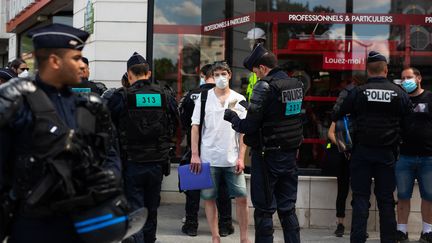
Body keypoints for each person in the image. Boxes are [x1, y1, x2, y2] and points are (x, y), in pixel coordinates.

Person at [0, 23, 123, 243]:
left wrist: (112, 175)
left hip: (82, 223)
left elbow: (110, 152)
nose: (82, 66)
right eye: (76, 58)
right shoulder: (18, 105)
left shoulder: (88, 106)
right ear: (55, 61)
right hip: (32, 226)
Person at [224, 44, 304, 243]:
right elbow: (278, 114)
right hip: (289, 155)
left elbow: (249, 127)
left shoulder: (264, 85)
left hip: (267, 156)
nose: (256, 76)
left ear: (262, 67)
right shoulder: (294, 84)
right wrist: (249, 106)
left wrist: (232, 118)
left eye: (255, 71)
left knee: (264, 210)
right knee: (287, 209)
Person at [332, 51, 412, 243]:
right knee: (386, 201)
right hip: (387, 154)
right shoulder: (399, 93)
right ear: (386, 69)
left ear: (367, 70)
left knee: (360, 198)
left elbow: (338, 114)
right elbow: (410, 122)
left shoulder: (358, 92)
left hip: (361, 153)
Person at [105, 51, 178, 243]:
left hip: (131, 163)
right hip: (157, 163)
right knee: (151, 208)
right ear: (149, 73)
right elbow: (178, 126)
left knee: (134, 210)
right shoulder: (165, 95)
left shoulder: (121, 96)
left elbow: (105, 128)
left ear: (129, 74)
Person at [190, 62, 250, 243]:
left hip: (232, 159)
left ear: (230, 75)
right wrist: (195, 154)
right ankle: (215, 236)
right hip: (208, 157)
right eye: (216, 74)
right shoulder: (203, 98)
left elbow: (243, 131)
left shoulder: (239, 99)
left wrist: (241, 157)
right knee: (209, 198)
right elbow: (195, 127)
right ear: (212, 76)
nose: (220, 77)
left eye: (223, 73)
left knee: (241, 198)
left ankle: (244, 238)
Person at [178, 63, 234, 237]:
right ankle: (225, 225)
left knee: (194, 189)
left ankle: (191, 224)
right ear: (214, 75)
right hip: (221, 149)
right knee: (223, 189)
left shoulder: (192, 95)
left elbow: (185, 121)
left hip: (198, 148)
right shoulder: (227, 96)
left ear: (204, 75)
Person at [396, 67, 432, 243]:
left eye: (409, 77)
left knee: (429, 196)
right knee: (402, 196)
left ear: (418, 78)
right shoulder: (401, 100)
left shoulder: (430, 98)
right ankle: (401, 231)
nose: (405, 81)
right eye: (402, 79)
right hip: (404, 157)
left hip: (428, 157)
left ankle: (427, 232)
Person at [244, 27, 266, 101]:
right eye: (249, 43)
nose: (250, 45)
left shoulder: (265, 60)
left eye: (251, 42)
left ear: (260, 43)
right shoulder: (253, 60)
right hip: (252, 104)